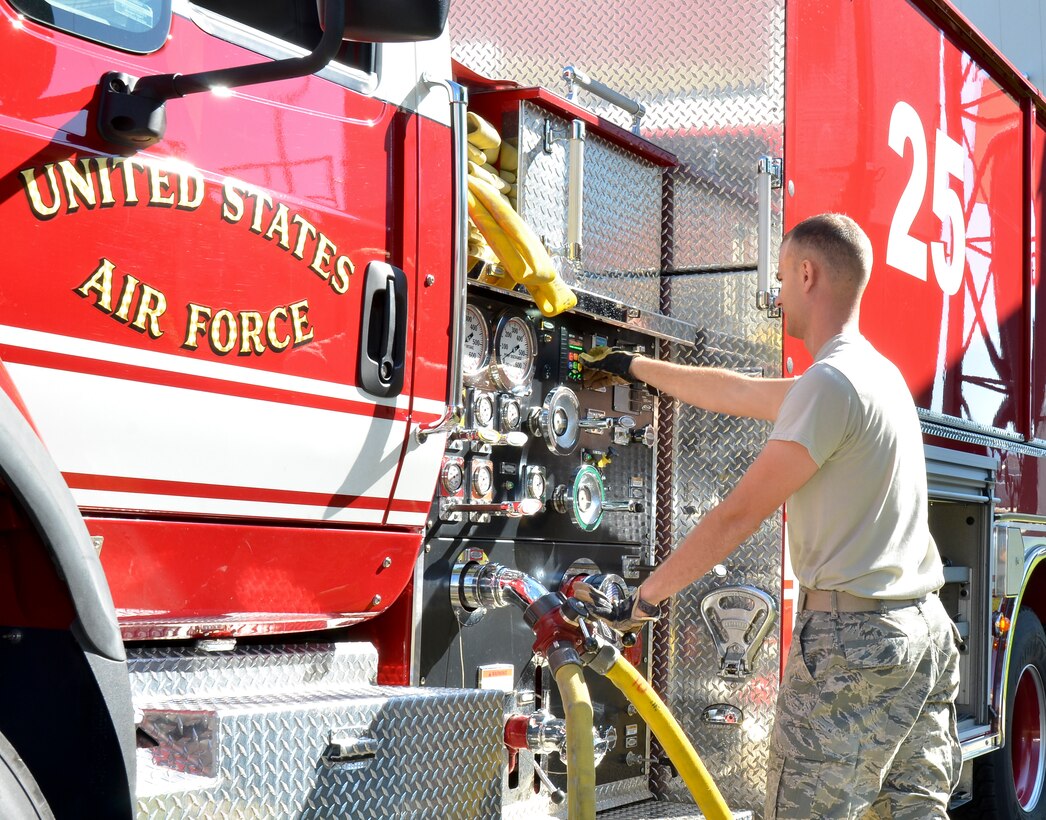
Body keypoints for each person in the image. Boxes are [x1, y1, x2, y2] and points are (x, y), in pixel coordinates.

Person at [579, 213, 961, 819]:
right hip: (923, 635)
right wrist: (633, 367)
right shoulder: (872, 376)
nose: (777, 295)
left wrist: (644, 599)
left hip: (852, 645)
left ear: (807, 274)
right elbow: (736, 393)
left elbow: (738, 516)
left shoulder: (830, 384)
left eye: (782, 278)